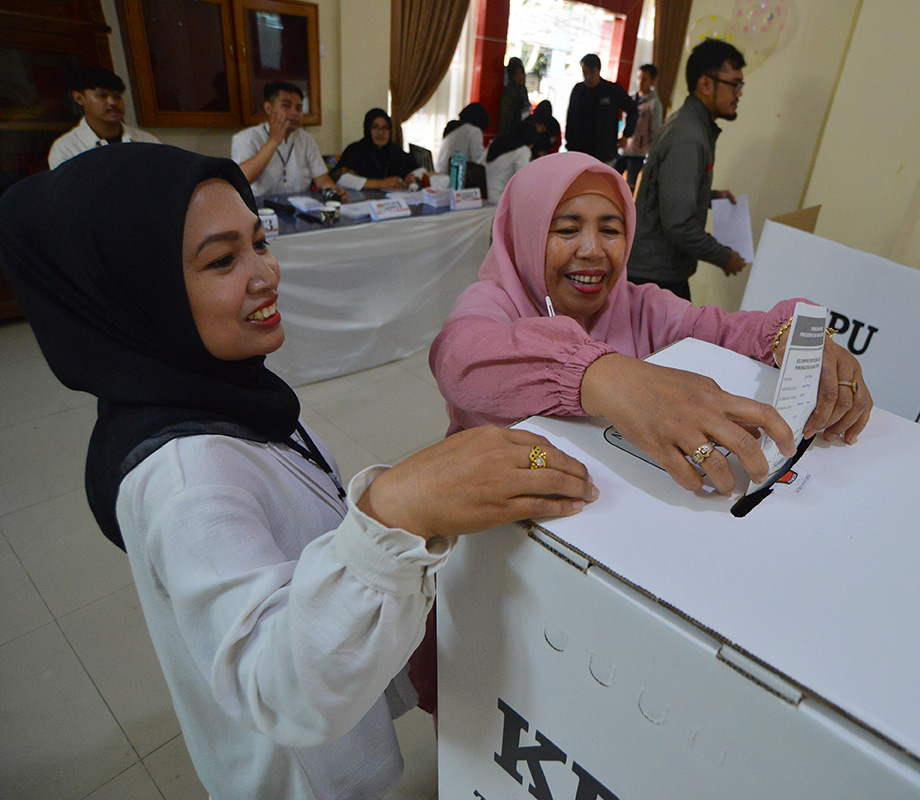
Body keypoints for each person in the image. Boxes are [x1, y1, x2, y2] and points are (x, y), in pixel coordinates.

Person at [0, 143, 595, 800]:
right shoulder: (186, 482)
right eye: (222, 260)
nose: (266, 273)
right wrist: (396, 510)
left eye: (260, 242)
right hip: (299, 773)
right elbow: (279, 686)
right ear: (137, 292)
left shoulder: (228, 390)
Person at [431, 152, 873, 498]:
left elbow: (722, 329)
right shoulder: (493, 300)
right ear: (524, 235)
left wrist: (793, 337)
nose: (593, 250)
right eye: (566, 230)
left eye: (610, 230)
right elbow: (458, 358)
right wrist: (602, 376)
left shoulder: (640, 306)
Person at [625, 39, 748, 300]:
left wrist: (710, 196)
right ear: (705, 84)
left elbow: (668, 192)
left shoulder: (692, 125)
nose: (739, 94)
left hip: (661, 270)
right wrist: (725, 257)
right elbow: (679, 225)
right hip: (654, 276)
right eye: (734, 84)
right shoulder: (689, 136)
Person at [231, 81, 347, 200]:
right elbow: (242, 180)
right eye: (286, 106)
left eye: (298, 108)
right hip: (260, 206)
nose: (294, 113)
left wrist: (334, 190)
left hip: (301, 205)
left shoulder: (305, 138)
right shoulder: (246, 138)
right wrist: (273, 141)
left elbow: (322, 179)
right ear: (268, 108)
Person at [48, 68, 160, 169]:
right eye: (102, 96)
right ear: (79, 98)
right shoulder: (67, 148)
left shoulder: (147, 141)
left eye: (117, 97)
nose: (112, 102)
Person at [565, 54, 639, 165]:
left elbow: (632, 109)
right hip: (579, 149)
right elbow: (570, 117)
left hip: (603, 152)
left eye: (591, 72)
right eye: (585, 73)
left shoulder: (612, 90)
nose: (588, 77)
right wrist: (569, 143)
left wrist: (626, 135)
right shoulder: (578, 90)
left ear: (598, 71)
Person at [332, 108, 421, 191]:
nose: (381, 132)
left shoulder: (395, 151)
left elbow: (420, 171)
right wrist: (380, 183)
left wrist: (412, 178)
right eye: (375, 127)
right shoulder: (355, 150)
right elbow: (340, 178)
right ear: (367, 129)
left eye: (385, 128)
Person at [615, 63, 663, 190]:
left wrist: (652, 152)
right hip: (623, 147)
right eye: (638, 78)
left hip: (638, 152)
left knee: (630, 185)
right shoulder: (630, 98)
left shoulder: (654, 104)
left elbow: (655, 130)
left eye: (644, 79)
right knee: (612, 178)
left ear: (652, 81)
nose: (640, 82)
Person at [485, 120, 537, 200]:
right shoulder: (523, 150)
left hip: (483, 192)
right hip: (500, 195)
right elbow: (523, 178)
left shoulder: (496, 143)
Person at [436, 102, 490, 174]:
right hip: (455, 176)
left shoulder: (453, 128)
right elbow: (478, 159)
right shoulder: (474, 131)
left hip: (440, 173)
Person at [496, 57, 530, 138]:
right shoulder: (509, 92)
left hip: (520, 131)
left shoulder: (523, 90)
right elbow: (505, 117)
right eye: (516, 74)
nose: (520, 76)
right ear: (511, 75)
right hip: (510, 133)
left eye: (522, 73)